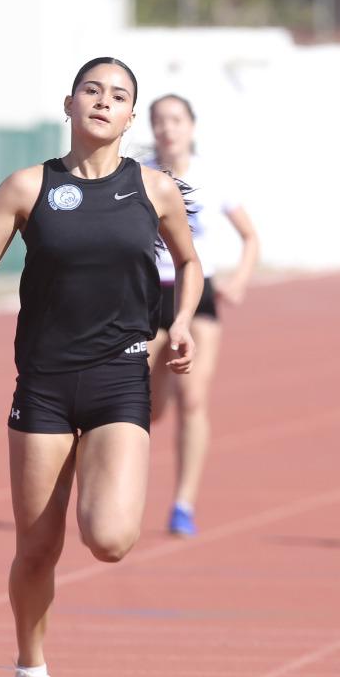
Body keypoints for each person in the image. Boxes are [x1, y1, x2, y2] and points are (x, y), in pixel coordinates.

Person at [0, 57, 202, 677]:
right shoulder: (27, 187)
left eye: (118, 95)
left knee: (108, 538)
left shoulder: (155, 189)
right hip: (45, 385)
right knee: (36, 549)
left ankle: (99, 471)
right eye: (92, 90)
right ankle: (31, 672)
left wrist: (181, 324)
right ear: (69, 103)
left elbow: (189, 262)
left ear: (131, 117)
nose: (103, 102)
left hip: (119, 378)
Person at [144, 94, 260, 538]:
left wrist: (239, 281)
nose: (167, 128)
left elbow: (250, 237)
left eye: (176, 120)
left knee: (193, 400)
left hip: (197, 295)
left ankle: (183, 504)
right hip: (146, 295)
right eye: (159, 121)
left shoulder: (213, 177)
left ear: (191, 126)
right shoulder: (138, 174)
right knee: (145, 407)